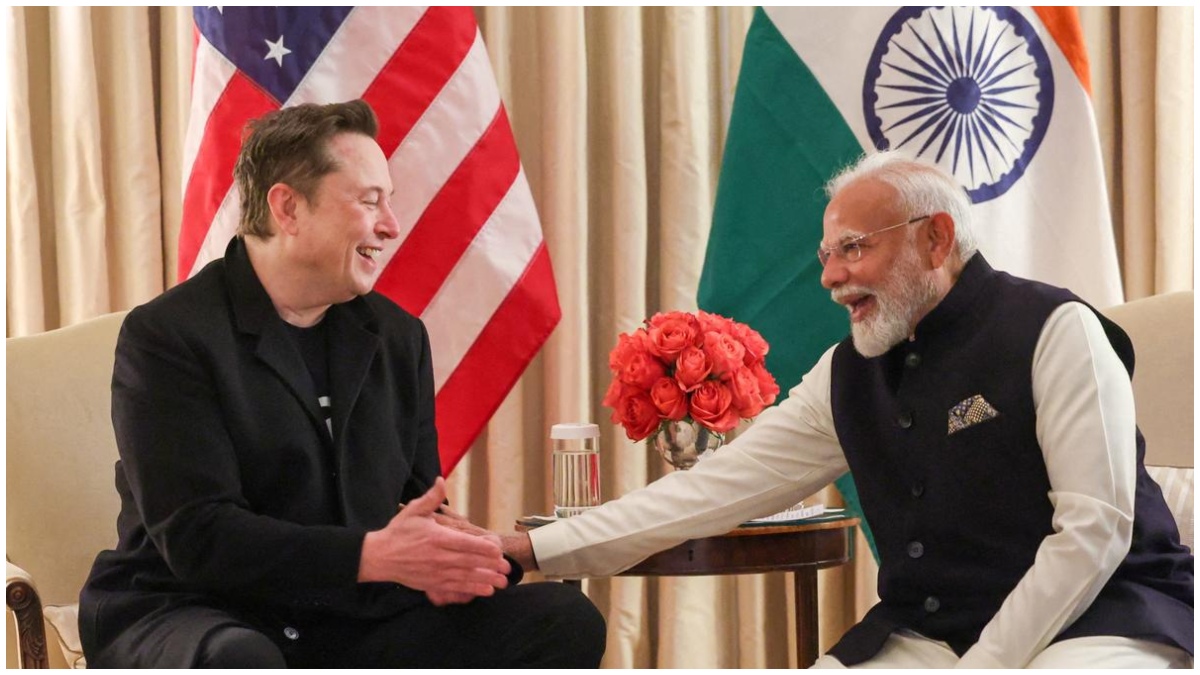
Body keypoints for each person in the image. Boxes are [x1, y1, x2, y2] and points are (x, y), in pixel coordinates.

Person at [500, 151, 1193, 668]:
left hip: (1101, 619)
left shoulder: (1057, 329)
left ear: (936, 238)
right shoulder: (847, 372)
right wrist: (537, 548)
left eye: (854, 248)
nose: (831, 277)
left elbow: (1094, 534)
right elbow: (709, 490)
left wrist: (986, 666)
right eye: (827, 254)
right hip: (931, 637)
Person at [79, 100, 605, 668]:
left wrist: (452, 554)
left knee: (563, 618)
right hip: (196, 607)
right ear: (287, 207)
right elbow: (197, 537)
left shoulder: (397, 337)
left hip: (347, 612)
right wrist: (371, 555)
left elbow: (413, 504)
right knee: (242, 659)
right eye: (370, 200)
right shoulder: (169, 336)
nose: (391, 225)